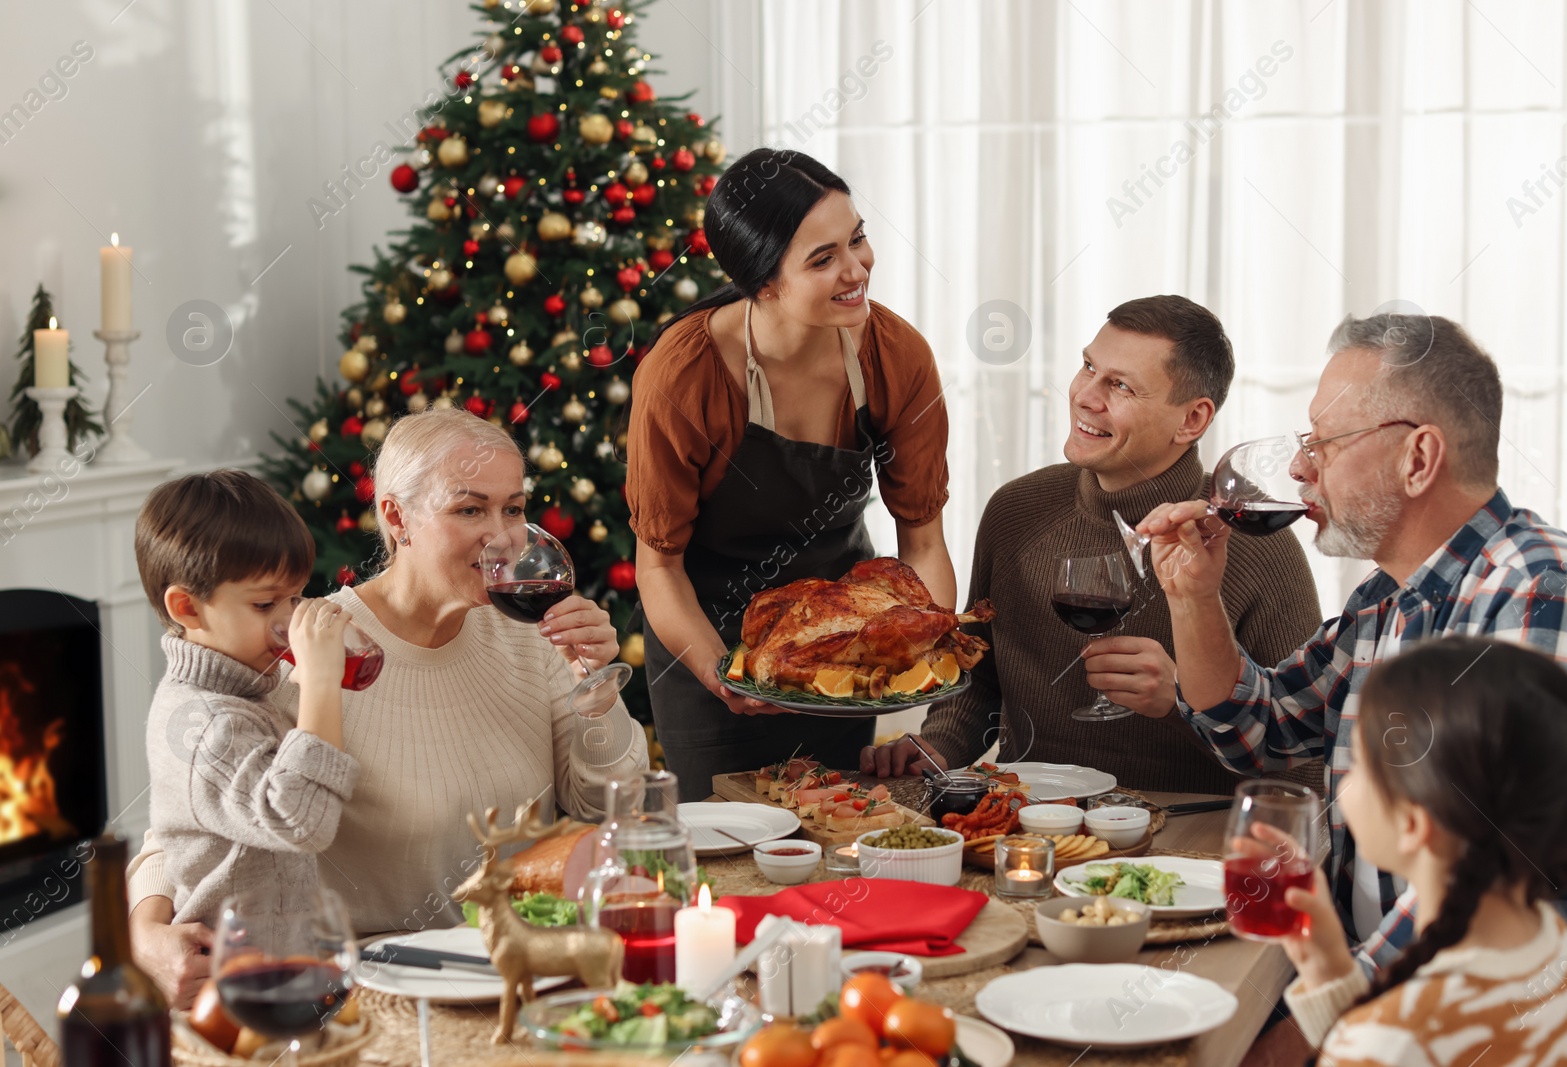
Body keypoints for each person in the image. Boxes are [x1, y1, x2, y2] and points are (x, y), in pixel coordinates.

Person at [1133, 312, 1567, 1048]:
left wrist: (1318, 1026)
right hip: (1377, 998)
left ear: (1419, 457)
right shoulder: (1387, 598)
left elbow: (1487, 867)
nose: (1297, 469)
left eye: (1324, 443)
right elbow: (1261, 730)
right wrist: (1192, 597)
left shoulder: (1541, 590)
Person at [127, 409, 649, 1007]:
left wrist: (599, 699)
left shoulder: (529, 629)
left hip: (527, 965)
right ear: (398, 518)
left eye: (513, 507)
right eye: (469, 509)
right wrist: (143, 934)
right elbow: (189, 818)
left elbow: (613, 808)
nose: (503, 536)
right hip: (374, 990)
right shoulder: (313, 646)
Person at [861, 296, 1324, 794]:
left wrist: (1180, 705)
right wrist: (940, 746)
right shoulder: (1016, 510)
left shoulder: (1253, 542)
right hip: (1027, 824)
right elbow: (982, 680)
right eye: (1088, 367)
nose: (1085, 395)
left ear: (1191, 420)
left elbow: (1305, 764)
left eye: (1120, 385)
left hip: (1186, 841)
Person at [627, 148, 954, 802]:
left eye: (857, 239)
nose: (857, 268)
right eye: (823, 258)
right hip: (709, 638)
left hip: (844, 646)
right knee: (726, 843)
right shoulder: (683, 376)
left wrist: (924, 654)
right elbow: (658, 567)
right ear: (763, 284)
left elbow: (921, 542)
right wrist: (723, 674)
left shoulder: (897, 355)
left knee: (842, 831)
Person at [1275, 638, 1567, 1065]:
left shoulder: (1391, 1039)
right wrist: (1330, 974)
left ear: (1412, 824)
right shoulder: (1549, 942)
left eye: (1358, 762)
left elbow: (1392, 1046)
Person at [135, 471, 360, 933]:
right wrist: (320, 680)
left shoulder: (252, 681)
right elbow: (300, 822)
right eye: (264, 605)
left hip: (286, 968)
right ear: (188, 608)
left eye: (295, 597)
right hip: (231, 983)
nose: (288, 620)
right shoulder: (201, 723)